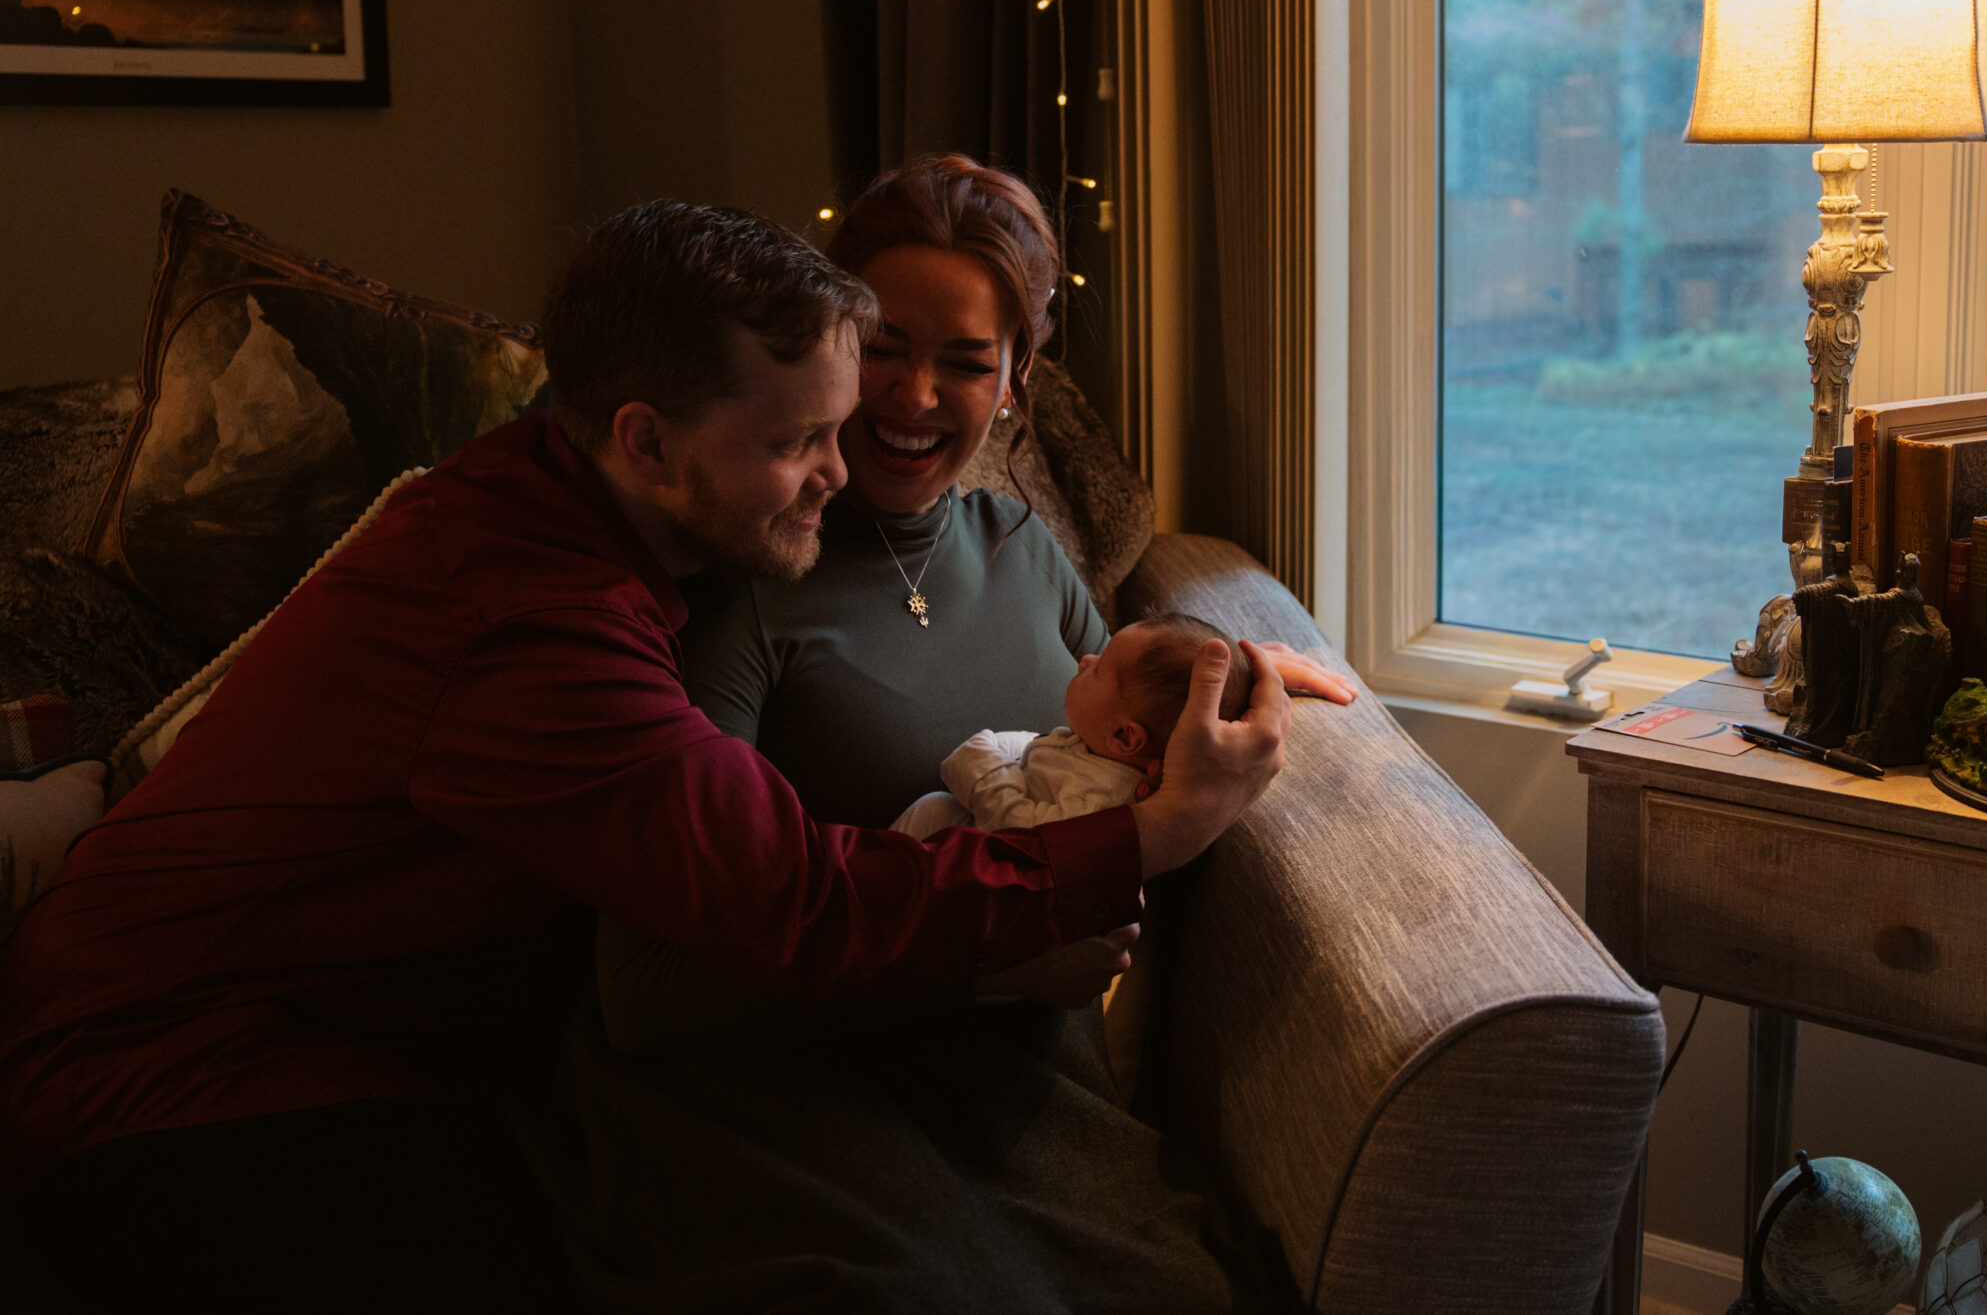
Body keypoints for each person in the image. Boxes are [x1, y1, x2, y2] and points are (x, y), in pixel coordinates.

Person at [0, 200, 1298, 1313]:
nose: (835, 470)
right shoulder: (532, 629)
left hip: (378, 1044)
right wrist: (1145, 836)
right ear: (645, 441)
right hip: (181, 1075)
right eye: (795, 441)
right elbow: (798, 901)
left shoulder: (570, 505)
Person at [538, 157, 1354, 1313]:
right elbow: (648, 993)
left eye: (966, 362)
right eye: (883, 346)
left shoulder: (1022, 549)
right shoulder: (745, 587)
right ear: (828, 345)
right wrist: (979, 971)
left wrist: (1236, 679)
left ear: (1016, 383)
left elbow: (1118, 743)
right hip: (793, 1102)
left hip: (1026, 1101)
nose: (914, 395)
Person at [893, 611, 1251, 837]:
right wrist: (999, 749)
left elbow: (1021, 834)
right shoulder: (1097, 750)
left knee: (934, 811)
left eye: (1099, 670)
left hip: (998, 886)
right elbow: (1039, 750)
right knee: (937, 809)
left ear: (1125, 736)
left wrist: (984, 769)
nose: (1085, 660)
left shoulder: (1100, 802)